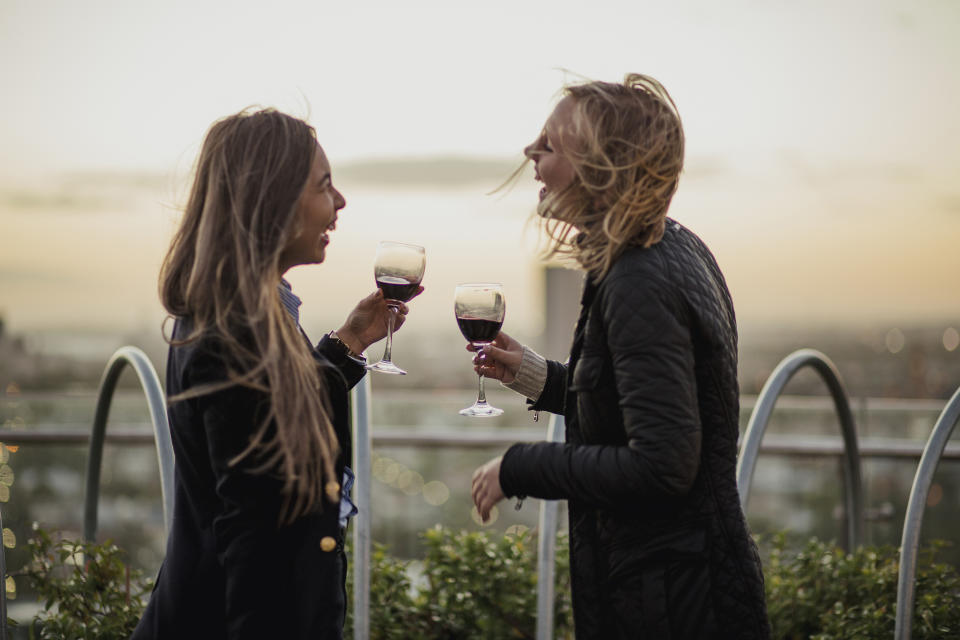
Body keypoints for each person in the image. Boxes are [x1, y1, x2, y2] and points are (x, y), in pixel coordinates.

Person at [469, 74, 770, 639]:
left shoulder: (638, 277)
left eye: (550, 145)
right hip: (682, 582)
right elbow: (635, 404)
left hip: (670, 600)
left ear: (602, 166)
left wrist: (521, 467)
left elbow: (662, 466)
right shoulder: (670, 248)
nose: (530, 154)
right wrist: (535, 376)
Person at [132, 108, 417, 639]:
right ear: (275, 204)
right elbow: (256, 550)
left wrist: (348, 342)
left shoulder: (243, 317)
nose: (341, 201)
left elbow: (276, 423)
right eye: (324, 185)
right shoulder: (237, 341)